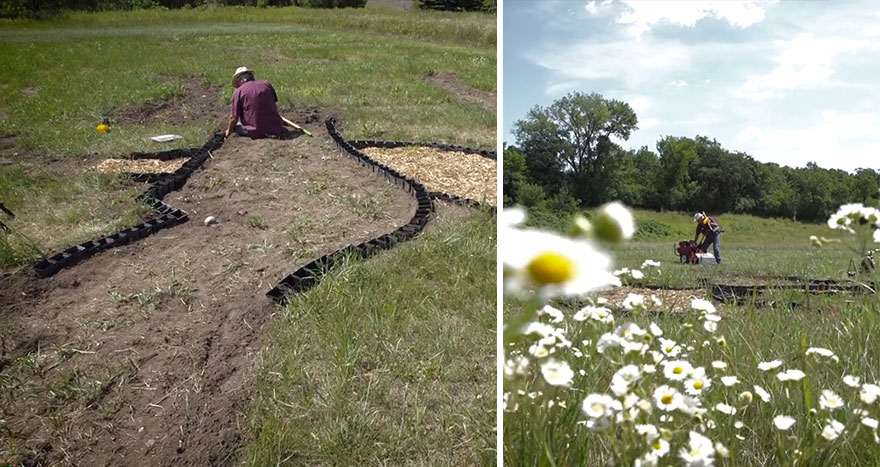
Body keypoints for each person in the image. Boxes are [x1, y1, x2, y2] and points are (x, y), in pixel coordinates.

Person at [225, 66, 285, 139]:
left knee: (237, 126)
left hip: (254, 130)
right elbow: (274, 105)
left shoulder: (238, 92)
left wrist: (229, 131)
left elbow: (234, 118)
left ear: (239, 80)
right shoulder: (266, 84)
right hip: (276, 127)